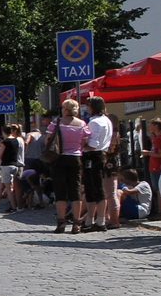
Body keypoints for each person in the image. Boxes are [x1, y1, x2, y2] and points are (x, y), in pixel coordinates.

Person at [45, 98, 89, 233]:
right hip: (76, 158)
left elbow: (47, 140)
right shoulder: (82, 124)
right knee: (75, 191)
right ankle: (76, 223)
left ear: (64, 109)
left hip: (59, 158)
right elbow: (84, 141)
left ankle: (61, 222)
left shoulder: (57, 123)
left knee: (60, 191)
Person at [81, 95, 114, 232]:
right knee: (92, 188)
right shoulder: (106, 120)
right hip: (101, 155)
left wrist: (82, 143)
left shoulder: (94, 122)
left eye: (88, 105)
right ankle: (90, 219)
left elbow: (93, 145)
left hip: (93, 156)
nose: (87, 107)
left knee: (95, 188)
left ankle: (100, 221)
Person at [0, 124, 24, 212]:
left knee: (15, 187)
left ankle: (17, 206)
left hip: (16, 163)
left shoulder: (16, 140)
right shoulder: (17, 140)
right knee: (10, 186)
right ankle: (15, 205)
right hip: (16, 164)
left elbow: (0, 155)